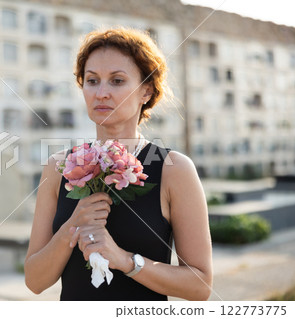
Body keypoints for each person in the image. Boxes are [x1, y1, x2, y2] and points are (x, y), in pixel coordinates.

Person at [24, 27, 212, 301]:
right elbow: (34, 281)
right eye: (91, 80)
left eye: (117, 81)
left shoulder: (174, 170)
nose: (101, 93)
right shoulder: (57, 168)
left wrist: (126, 261)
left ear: (146, 90)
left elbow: (201, 286)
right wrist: (71, 229)